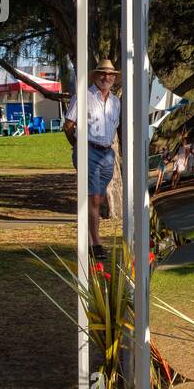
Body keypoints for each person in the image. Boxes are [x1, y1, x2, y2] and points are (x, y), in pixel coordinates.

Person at [62, 59, 121, 260]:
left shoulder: (115, 102)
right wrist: (78, 146)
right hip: (88, 150)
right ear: (95, 76)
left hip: (107, 153)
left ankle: (90, 238)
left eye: (111, 74)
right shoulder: (83, 96)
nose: (107, 77)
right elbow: (68, 125)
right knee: (93, 197)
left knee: (98, 197)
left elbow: (114, 127)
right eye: (103, 74)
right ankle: (96, 244)